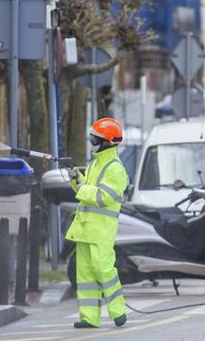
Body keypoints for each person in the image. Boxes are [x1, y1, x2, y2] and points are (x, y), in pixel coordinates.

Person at [66, 118, 129, 329]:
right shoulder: (95, 164)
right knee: (84, 275)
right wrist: (76, 181)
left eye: (95, 139)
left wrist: (82, 185)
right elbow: (85, 193)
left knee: (104, 270)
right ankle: (89, 317)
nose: (92, 143)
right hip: (85, 228)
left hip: (101, 231)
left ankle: (118, 311)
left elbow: (103, 197)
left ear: (108, 142)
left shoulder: (116, 169)